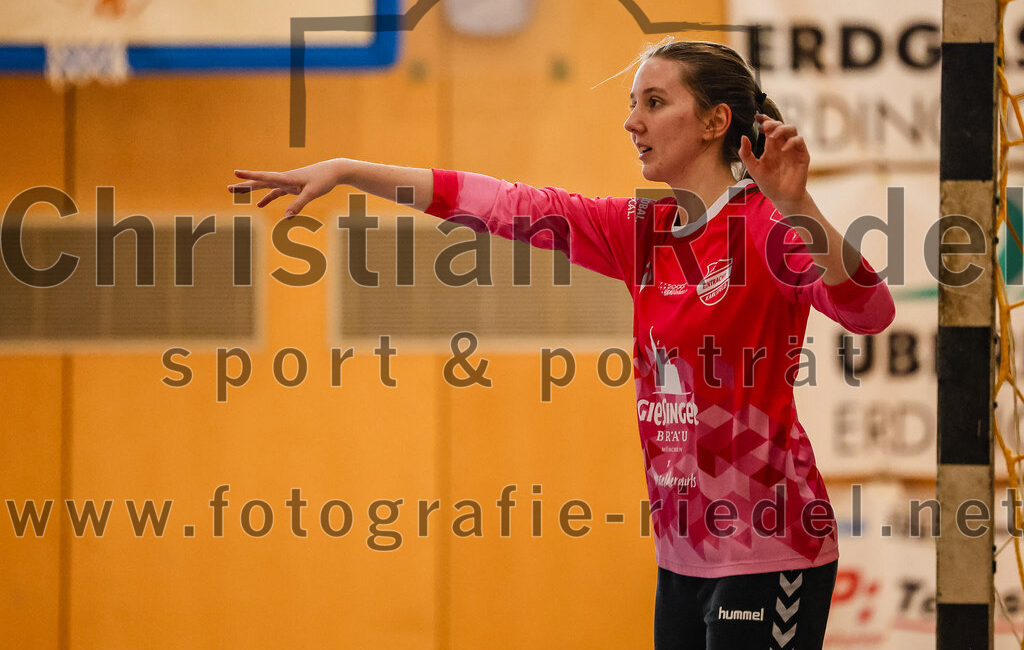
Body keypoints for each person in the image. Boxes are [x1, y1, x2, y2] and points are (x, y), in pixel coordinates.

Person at [229, 39, 895, 650]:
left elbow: (869, 311)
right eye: (632, 105)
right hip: (682, 555)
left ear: (716, 121)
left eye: (654, 103)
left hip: (769, 546)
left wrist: (799, 207)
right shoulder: (643, 230)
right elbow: (501, 204)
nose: (632, 122)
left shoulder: (765, 225)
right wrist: (349, 170)